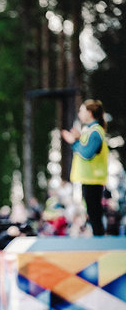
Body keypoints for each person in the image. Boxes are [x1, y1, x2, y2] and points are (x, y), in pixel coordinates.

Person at [62, 99, 109, 236]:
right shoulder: (90, 131)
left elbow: (87, 153)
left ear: (89, 113)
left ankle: (99, 243)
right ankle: (98, 239)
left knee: (94, 213)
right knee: (93, 212)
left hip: (93, 179)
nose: (79, 114)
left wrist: (74, 142)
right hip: (90, 178)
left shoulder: (95, 132)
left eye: (81, 110)